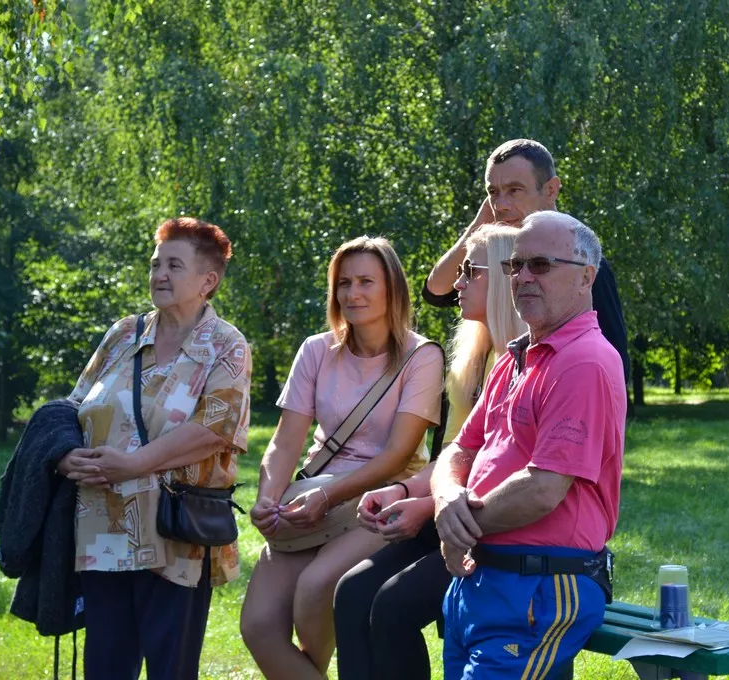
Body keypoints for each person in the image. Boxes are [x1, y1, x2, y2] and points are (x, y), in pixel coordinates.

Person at [239, 236, 444, 680]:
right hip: (315, 494)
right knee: (258, 627)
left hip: (377, 498)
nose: (352, 293)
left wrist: (328, 497)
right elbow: (285, 441)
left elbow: (398, 455)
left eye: (366, 281)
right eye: (344, 283)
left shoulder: (422, 356)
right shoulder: (316, 349)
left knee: (315, 587)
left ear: (393, 288)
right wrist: (267, 499)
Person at [432, 211, 626, 679]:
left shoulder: (584, 361)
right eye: (514, 265)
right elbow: (458, 450)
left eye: (540, 265)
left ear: (586, 277)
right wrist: (446, 498)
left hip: (540, 586)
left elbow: (543, 489)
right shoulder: (515, 358)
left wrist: (458, 527)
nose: (522, 277)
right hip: (485, 581)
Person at [58, 217, 252, 680]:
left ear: (208, 281)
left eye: (174, 265)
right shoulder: (124, 334)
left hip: (175, 534)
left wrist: (131, 465)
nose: (159, 274)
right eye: (155, 264)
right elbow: (73, 406)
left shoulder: (226, 345)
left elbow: (214, 429)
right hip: (102, 530)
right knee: (104, 667)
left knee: (171, 670)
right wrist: (64, 457)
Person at [334, 226, 527, 680]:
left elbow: (503, 470)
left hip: (494, 526)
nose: (456, 283)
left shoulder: (526, 361)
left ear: (504, 278)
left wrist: (424, 505)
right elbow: (457, 453)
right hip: (447, 509)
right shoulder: (472, 359)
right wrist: (405, 491)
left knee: (393, 606)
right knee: (352, 592)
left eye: (470, 271)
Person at [422, 138, 630, 386]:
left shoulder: (577, 263)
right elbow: (436, 292)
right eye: (493, 192)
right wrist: (479, 224)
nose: (500, 205)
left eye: (514, 190)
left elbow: (614, 367)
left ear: (551, 190)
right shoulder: (492, 255)